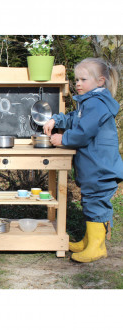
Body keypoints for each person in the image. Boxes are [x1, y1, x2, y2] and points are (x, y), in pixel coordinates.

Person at [43, 57, 123, 263]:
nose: (77, 83)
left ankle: (97, 247)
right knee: (90, 201)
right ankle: (90, 240)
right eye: (76, 79)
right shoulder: (89, 102)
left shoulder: (96, 104)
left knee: (96, 202)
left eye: (83, 79)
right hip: (94, 165)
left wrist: (63, 139)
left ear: (100, 81)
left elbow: (84, 131)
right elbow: (73, 118)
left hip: (101, 166)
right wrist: (56, 119)